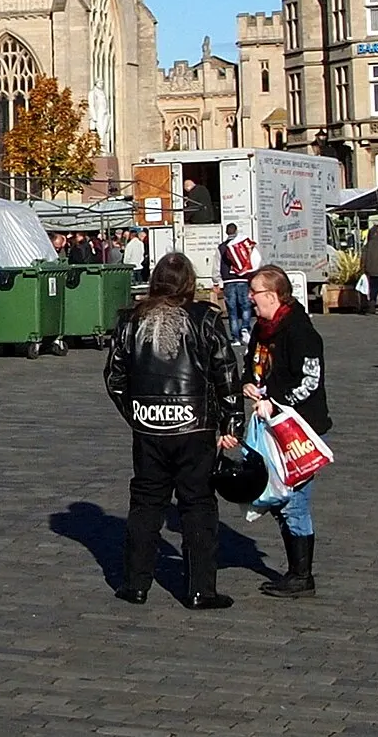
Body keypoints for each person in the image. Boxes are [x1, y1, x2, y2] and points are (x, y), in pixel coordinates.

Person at [103, 251, 238, 610]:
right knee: (197, 504)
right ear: (190, 284)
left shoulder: (131, 320)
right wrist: (231, 419)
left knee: (146, 502)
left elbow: (114, 377)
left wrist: (135, 412)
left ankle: (135, 583)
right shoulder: (205, 318)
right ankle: (200, 588)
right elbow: (226, 371)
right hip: (194, 425)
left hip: (149, 425)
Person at [244, 264, 332, 597]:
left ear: (273, 295)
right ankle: (295, 570)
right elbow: (251, 365)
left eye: (255, 292)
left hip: (299, 427)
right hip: (270, 425)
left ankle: (302, 575)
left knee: (294, 500)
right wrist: (248, 385)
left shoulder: (299, 330)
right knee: (280, 499)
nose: (250, 298)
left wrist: (276, 401)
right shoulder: (262, 329)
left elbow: (310, 379)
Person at [219, 223, 259, 344]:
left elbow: (217, 264)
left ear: (226, 232)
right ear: (236, 231)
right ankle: (245, 329)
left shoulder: (222, 247)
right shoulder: (244, 246)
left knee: (232, 310)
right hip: (243, 279)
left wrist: (217, 281)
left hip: (228, 281)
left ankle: (235, 338)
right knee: (245, 307)